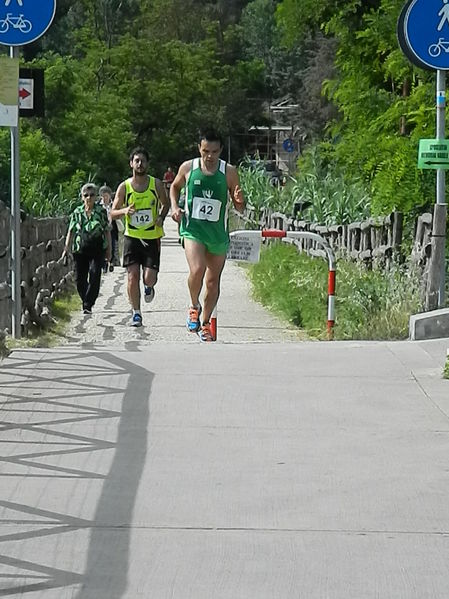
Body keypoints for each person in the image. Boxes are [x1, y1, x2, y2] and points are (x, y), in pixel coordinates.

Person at [170, 128, 245, 342]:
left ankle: (205, 323)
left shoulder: (229, 172)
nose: (209, 156)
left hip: (218, 235)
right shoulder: (189, 167)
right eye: (205, 151)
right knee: (198, 268)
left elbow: (240, 207)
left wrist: (239, 200)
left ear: (220, 150)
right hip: (193, 230)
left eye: (214, 151)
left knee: (212, 283)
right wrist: (175, 207)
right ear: (199, 149)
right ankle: (193, 305)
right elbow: (174, 187)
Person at [111, 147, 169, 327]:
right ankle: (136, 313)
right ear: (131, 164)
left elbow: (165, 204)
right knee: (132, 276)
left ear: (147, 164)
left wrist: (161, 217)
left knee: (149, 277)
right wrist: (125, 210)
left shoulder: (156, 184)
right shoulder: (125, 186)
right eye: (136, 161)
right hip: (132, 237)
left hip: (151, 236)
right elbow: (112, 213)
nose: (140, 164)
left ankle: (149, 286)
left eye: (143, 161)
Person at [62, 183, 111, 314]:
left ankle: (88, 304)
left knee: (95, 274)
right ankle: (85, 299)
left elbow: (107, 231)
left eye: (92, 195)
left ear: (96, 197)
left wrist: (109, 249)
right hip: (80, 249)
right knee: (79, 278)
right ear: (82, 197)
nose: (89, 198)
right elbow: (71, 231)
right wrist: (66, 248)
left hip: (97, 248)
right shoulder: (77, 212)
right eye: (86, 195)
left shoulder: (100, 212)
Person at [99, 184, 119, 271]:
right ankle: (104, 264)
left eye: (106, 196)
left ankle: (111, 262)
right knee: (102, 246)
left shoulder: (114, 205)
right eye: (103, 196)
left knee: (112, 245)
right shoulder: (98, 206)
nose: (104, 198)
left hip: (112, 229)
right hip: (101, 230)